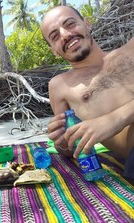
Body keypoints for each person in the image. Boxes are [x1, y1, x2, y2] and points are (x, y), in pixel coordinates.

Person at [40, 6, 134, 179]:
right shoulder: (60, 85)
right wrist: (61, 141)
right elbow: (68, 149)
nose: (65, 35)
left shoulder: (131, 50)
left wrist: (114, 120)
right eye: (55, 36)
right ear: (54, 49)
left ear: (87, 23)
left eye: (70, 24)